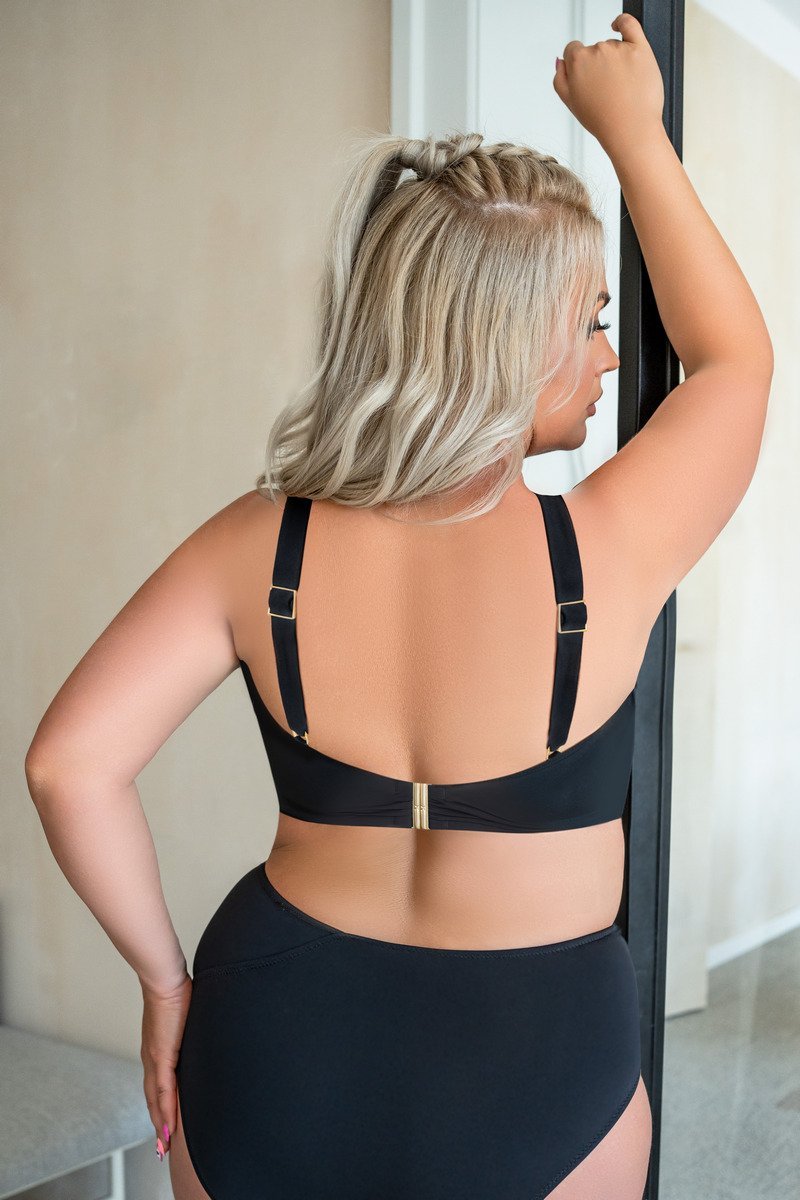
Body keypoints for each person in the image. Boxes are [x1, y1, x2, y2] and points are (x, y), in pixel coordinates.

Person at [24, 13, 773, 1200]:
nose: (606, 357)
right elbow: (730, 358)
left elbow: (69, 766)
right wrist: (633, 133)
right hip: (533, 1064)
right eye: (587, 322)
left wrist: (165, 985)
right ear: (507, 343)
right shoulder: (607, 546)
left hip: (268, 1044)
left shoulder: (256, 541)